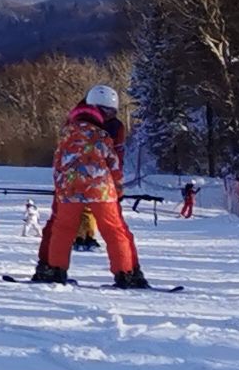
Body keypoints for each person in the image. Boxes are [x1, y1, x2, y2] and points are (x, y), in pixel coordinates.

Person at [29, 82, 149, 287]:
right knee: (114, 230)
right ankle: (125, 273)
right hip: (101, 189)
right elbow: (114, 163)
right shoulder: (102, 135)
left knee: (62, 228)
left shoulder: (67, 133)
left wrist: (60, 188)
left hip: (69, 189)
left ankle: (55, 271)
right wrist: (118, 189)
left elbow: (58, 163)